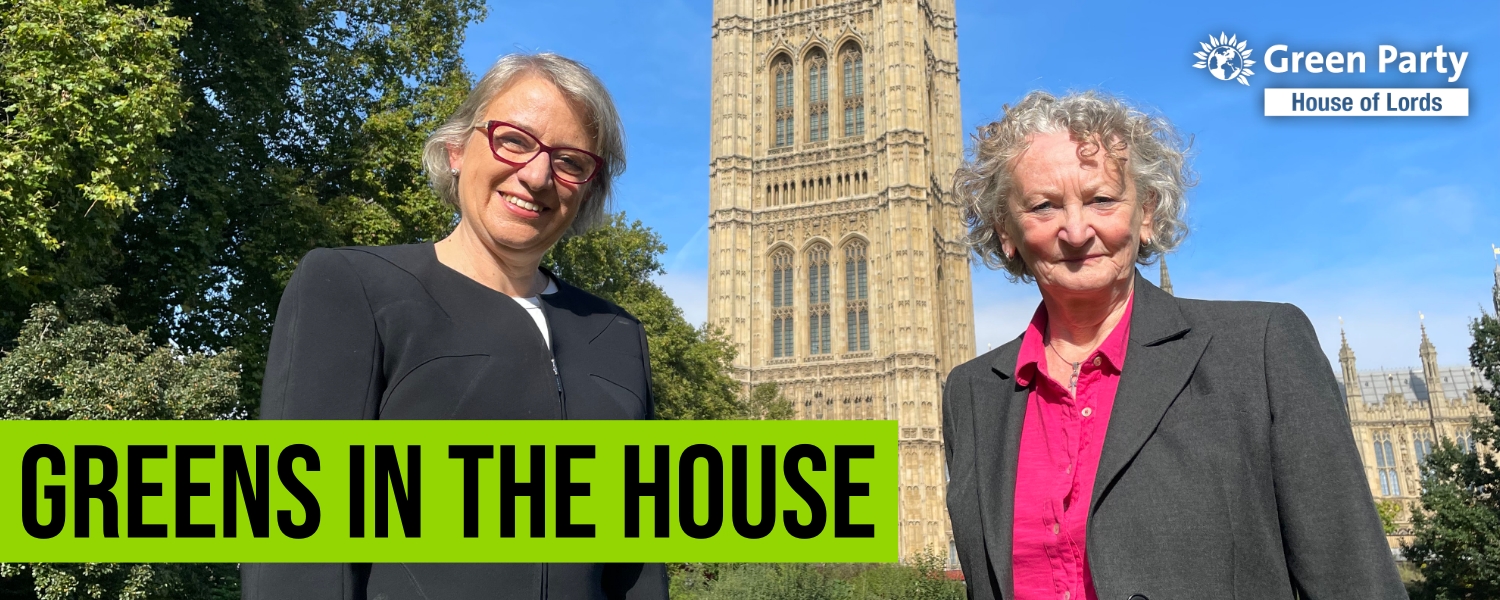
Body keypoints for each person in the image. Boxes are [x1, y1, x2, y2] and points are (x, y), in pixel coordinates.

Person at [943, 90, 1406, 600]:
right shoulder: (971, 394)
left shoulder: (1261, 350)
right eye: (1043, 206)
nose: (1075, 231)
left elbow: (1353, 579)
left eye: (1102, 199)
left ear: (1148, 214)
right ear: (1005, 231)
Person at [241, 52, 666, 600]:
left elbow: (637, 564)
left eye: (570, 161)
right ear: (458, 149)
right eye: (513, 140)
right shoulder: (354, 288)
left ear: (589, 186)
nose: (537, 176)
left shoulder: (615, 335)